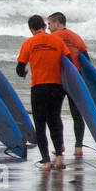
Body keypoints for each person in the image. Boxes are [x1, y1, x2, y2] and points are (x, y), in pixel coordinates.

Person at [16, 14, 74, 169]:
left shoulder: (29, 43)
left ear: (31, 29)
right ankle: (60, 158)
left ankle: (46, 161)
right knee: (54, 121)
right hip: (57, 87)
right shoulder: (58, 40)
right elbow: (69, 63)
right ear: (43, 25)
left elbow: (20, 69)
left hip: (39, 87)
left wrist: (25, 72)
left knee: (40, 124)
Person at [46, 12, 88, 157]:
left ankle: (60, 146)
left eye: (50, 24)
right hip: (75, 79)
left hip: (58, 80)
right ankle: (78, 147)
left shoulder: (52, 38)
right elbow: (86, 61)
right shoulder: (77, 37)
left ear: (57, 23)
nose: (48, 28)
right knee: (77, 114)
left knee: (55, 114)